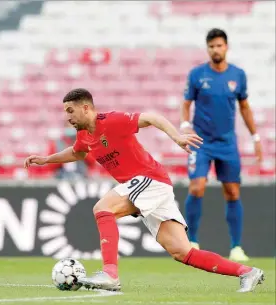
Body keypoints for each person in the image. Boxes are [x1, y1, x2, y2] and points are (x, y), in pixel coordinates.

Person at [24, 88, 264, 292]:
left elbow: (151, 118)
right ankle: (247, 272)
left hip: (150, 179)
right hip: (149, 188)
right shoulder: (85, 135)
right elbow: (77, 152)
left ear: (86, 108)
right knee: (183, 252)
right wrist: (46, 160)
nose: (67, 117)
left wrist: (177, 137)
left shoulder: (111, 121)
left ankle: (110, 274)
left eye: (70, 110)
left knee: (103, 209)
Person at [181, 29, 263, 262]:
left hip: (227, 143)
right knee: (197, 186)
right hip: (201, 142)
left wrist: (255, 137)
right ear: (207, 49)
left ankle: (236, 247)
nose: (215, 50)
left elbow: (245, 107)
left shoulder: (238, 75)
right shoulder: (197, 74)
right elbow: (186, 103)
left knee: (233, 191)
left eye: (219, 46)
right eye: (211, 46)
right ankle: (192, 241)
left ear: (226, 47)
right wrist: (185, 124)